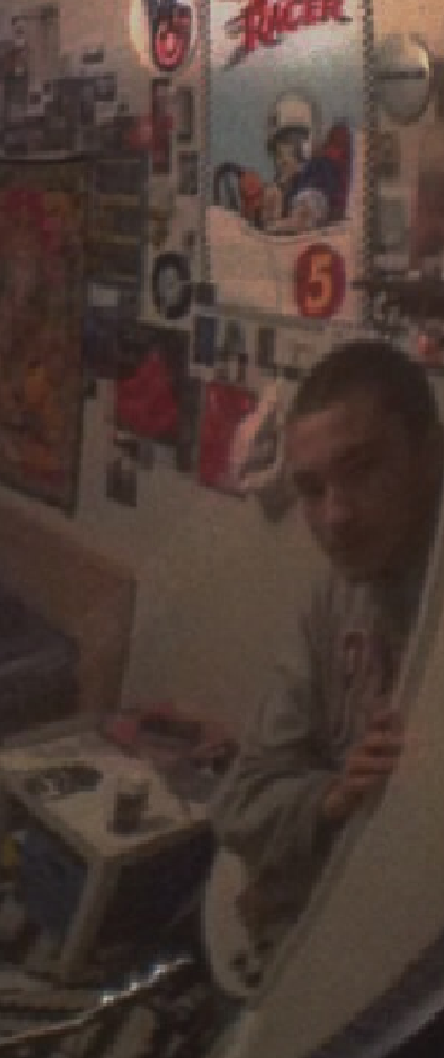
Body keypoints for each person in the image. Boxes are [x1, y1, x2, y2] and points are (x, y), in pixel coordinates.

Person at [212, 340, 443, 941]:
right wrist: (334, 797)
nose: (335, 516)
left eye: (362, 469)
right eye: (312, 490)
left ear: (431, 455)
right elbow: (242, 801)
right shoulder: (332, 598)